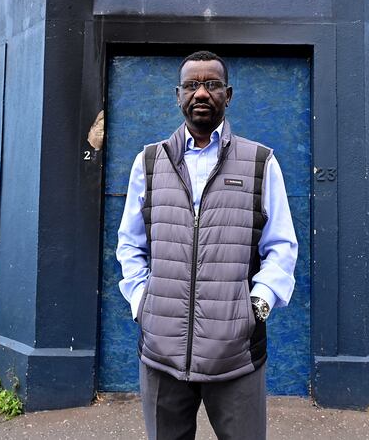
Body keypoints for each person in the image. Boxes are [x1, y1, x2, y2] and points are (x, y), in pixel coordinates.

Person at [116, 51, 298, 439]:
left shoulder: (260, 162)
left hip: (235, 356)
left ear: (228, 95)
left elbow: (281, 245)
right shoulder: (148, 162)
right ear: (177, 95)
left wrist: (258, 305)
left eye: (212, 84)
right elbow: (130, 245)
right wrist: (142, 301)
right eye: (192, 85)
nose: (202, 92)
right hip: (161, 353)